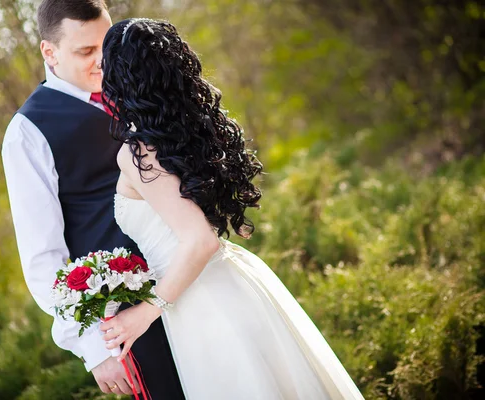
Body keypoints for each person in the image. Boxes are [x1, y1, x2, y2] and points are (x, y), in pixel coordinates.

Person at [98, 18, 366, 399]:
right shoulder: (184, 131)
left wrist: (146, 310)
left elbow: (199, 241)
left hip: (204, 304)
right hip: (230, 280)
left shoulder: (139, 152)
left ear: (121, 78)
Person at [1, 4, 185, 399]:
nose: (103, 61)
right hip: (126, 316)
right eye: (85, 51)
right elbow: (42, 255)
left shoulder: (138, 87)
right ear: (49, 52)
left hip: (190, 275)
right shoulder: (27, 132)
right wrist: (91, 347)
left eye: (106, 45)